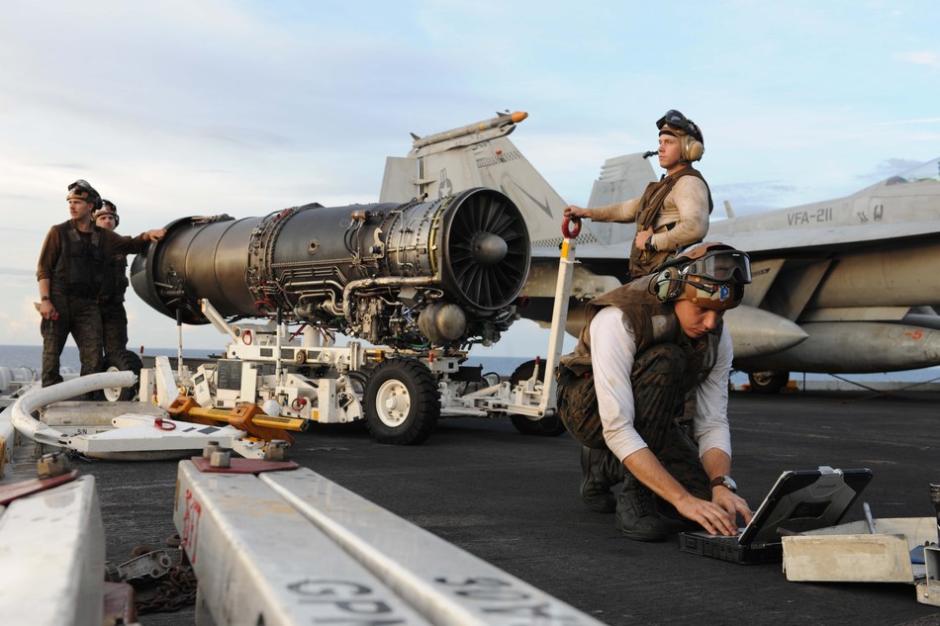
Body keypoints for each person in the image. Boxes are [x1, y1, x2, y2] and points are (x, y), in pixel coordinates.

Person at [557, 242, 753, 541]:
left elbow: (712, 421)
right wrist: (681, 500)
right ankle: (634, 499)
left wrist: (721, 484)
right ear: (671, 290)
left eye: (720, 313)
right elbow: (618, 426)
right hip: (587, 408)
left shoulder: (716, 334)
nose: (711, 323)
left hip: (652, 416)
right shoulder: (619, 317)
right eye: (701, 309)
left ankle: (602, 465)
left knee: (705, 501)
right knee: (667, 359)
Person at [36, 180, 165, 387]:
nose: (72, 206)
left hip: (87, 305)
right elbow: (44, 269)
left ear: (90, 206)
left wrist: (148, 235)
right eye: (70, 201)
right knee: (51, 357)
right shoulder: (57, 232)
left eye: (77, 202)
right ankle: (48, 402)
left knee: (93, 359)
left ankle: (89, 399)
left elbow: (130, 245)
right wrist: (45, 300)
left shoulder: (105, 238)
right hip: (58, 302)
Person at [565, 110, 713, 278]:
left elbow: (695, 228)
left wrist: (651, 242)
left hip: (667, 278)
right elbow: (626, 210)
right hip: (652, 275)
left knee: (602, 304)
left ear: (689, 149)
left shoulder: (688, 183)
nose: (661, 148)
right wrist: (586, 212)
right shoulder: (667, 186)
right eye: (660, 142)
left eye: (669, 142)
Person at [94, 200, 132, 362]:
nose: (107, 220)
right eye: (102, 218)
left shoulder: (121, 244)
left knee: (117, 353)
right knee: (92, 355)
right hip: (92, 307)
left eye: (111, 217)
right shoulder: (84, 244)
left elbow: (140, 243)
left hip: (115, 306)